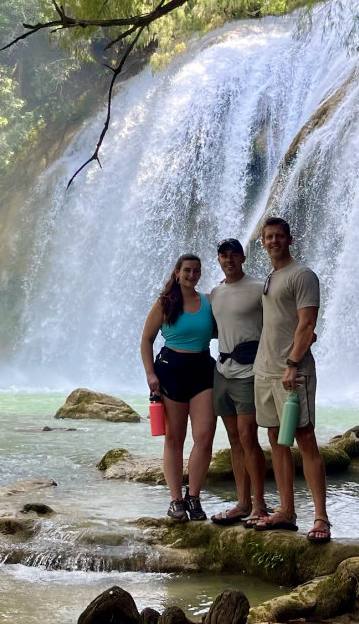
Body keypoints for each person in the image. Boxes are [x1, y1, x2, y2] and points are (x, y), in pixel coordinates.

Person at [251, 216, 330, 542]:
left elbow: (307, 325)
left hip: (292, 372)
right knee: (276, 438)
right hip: (265, 371)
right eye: (268, 237)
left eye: (279, 236)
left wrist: (293, 363)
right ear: (263, 242)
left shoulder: (302, 275)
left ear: (289, 239)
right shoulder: (270, 277)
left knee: (304, 438)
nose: (273, 241)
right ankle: (285, 510)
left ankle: (322, 518)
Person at [140, 253, 218, 521]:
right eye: (187, 270)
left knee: (205, 435)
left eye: (196, 270)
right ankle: (175, 501)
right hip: (171, 368)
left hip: (202, 369)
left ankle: (193, 497)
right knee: (175, 438)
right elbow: (146, 339)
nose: (192, 274)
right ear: (176, 272)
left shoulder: (208, 301)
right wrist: (150, 374)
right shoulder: (165, 303)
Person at [206, 237, 270, 527]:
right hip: (223, 371)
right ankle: (242, 503)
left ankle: (260, 504)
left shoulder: (259, 288)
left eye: (234, 255)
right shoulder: (215, 293)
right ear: (218, 260)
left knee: (248, 437)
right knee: (234, 439)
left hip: (249, 371)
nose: (229, 260)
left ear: (243, 258)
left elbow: (277, 321)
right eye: (223, 256)